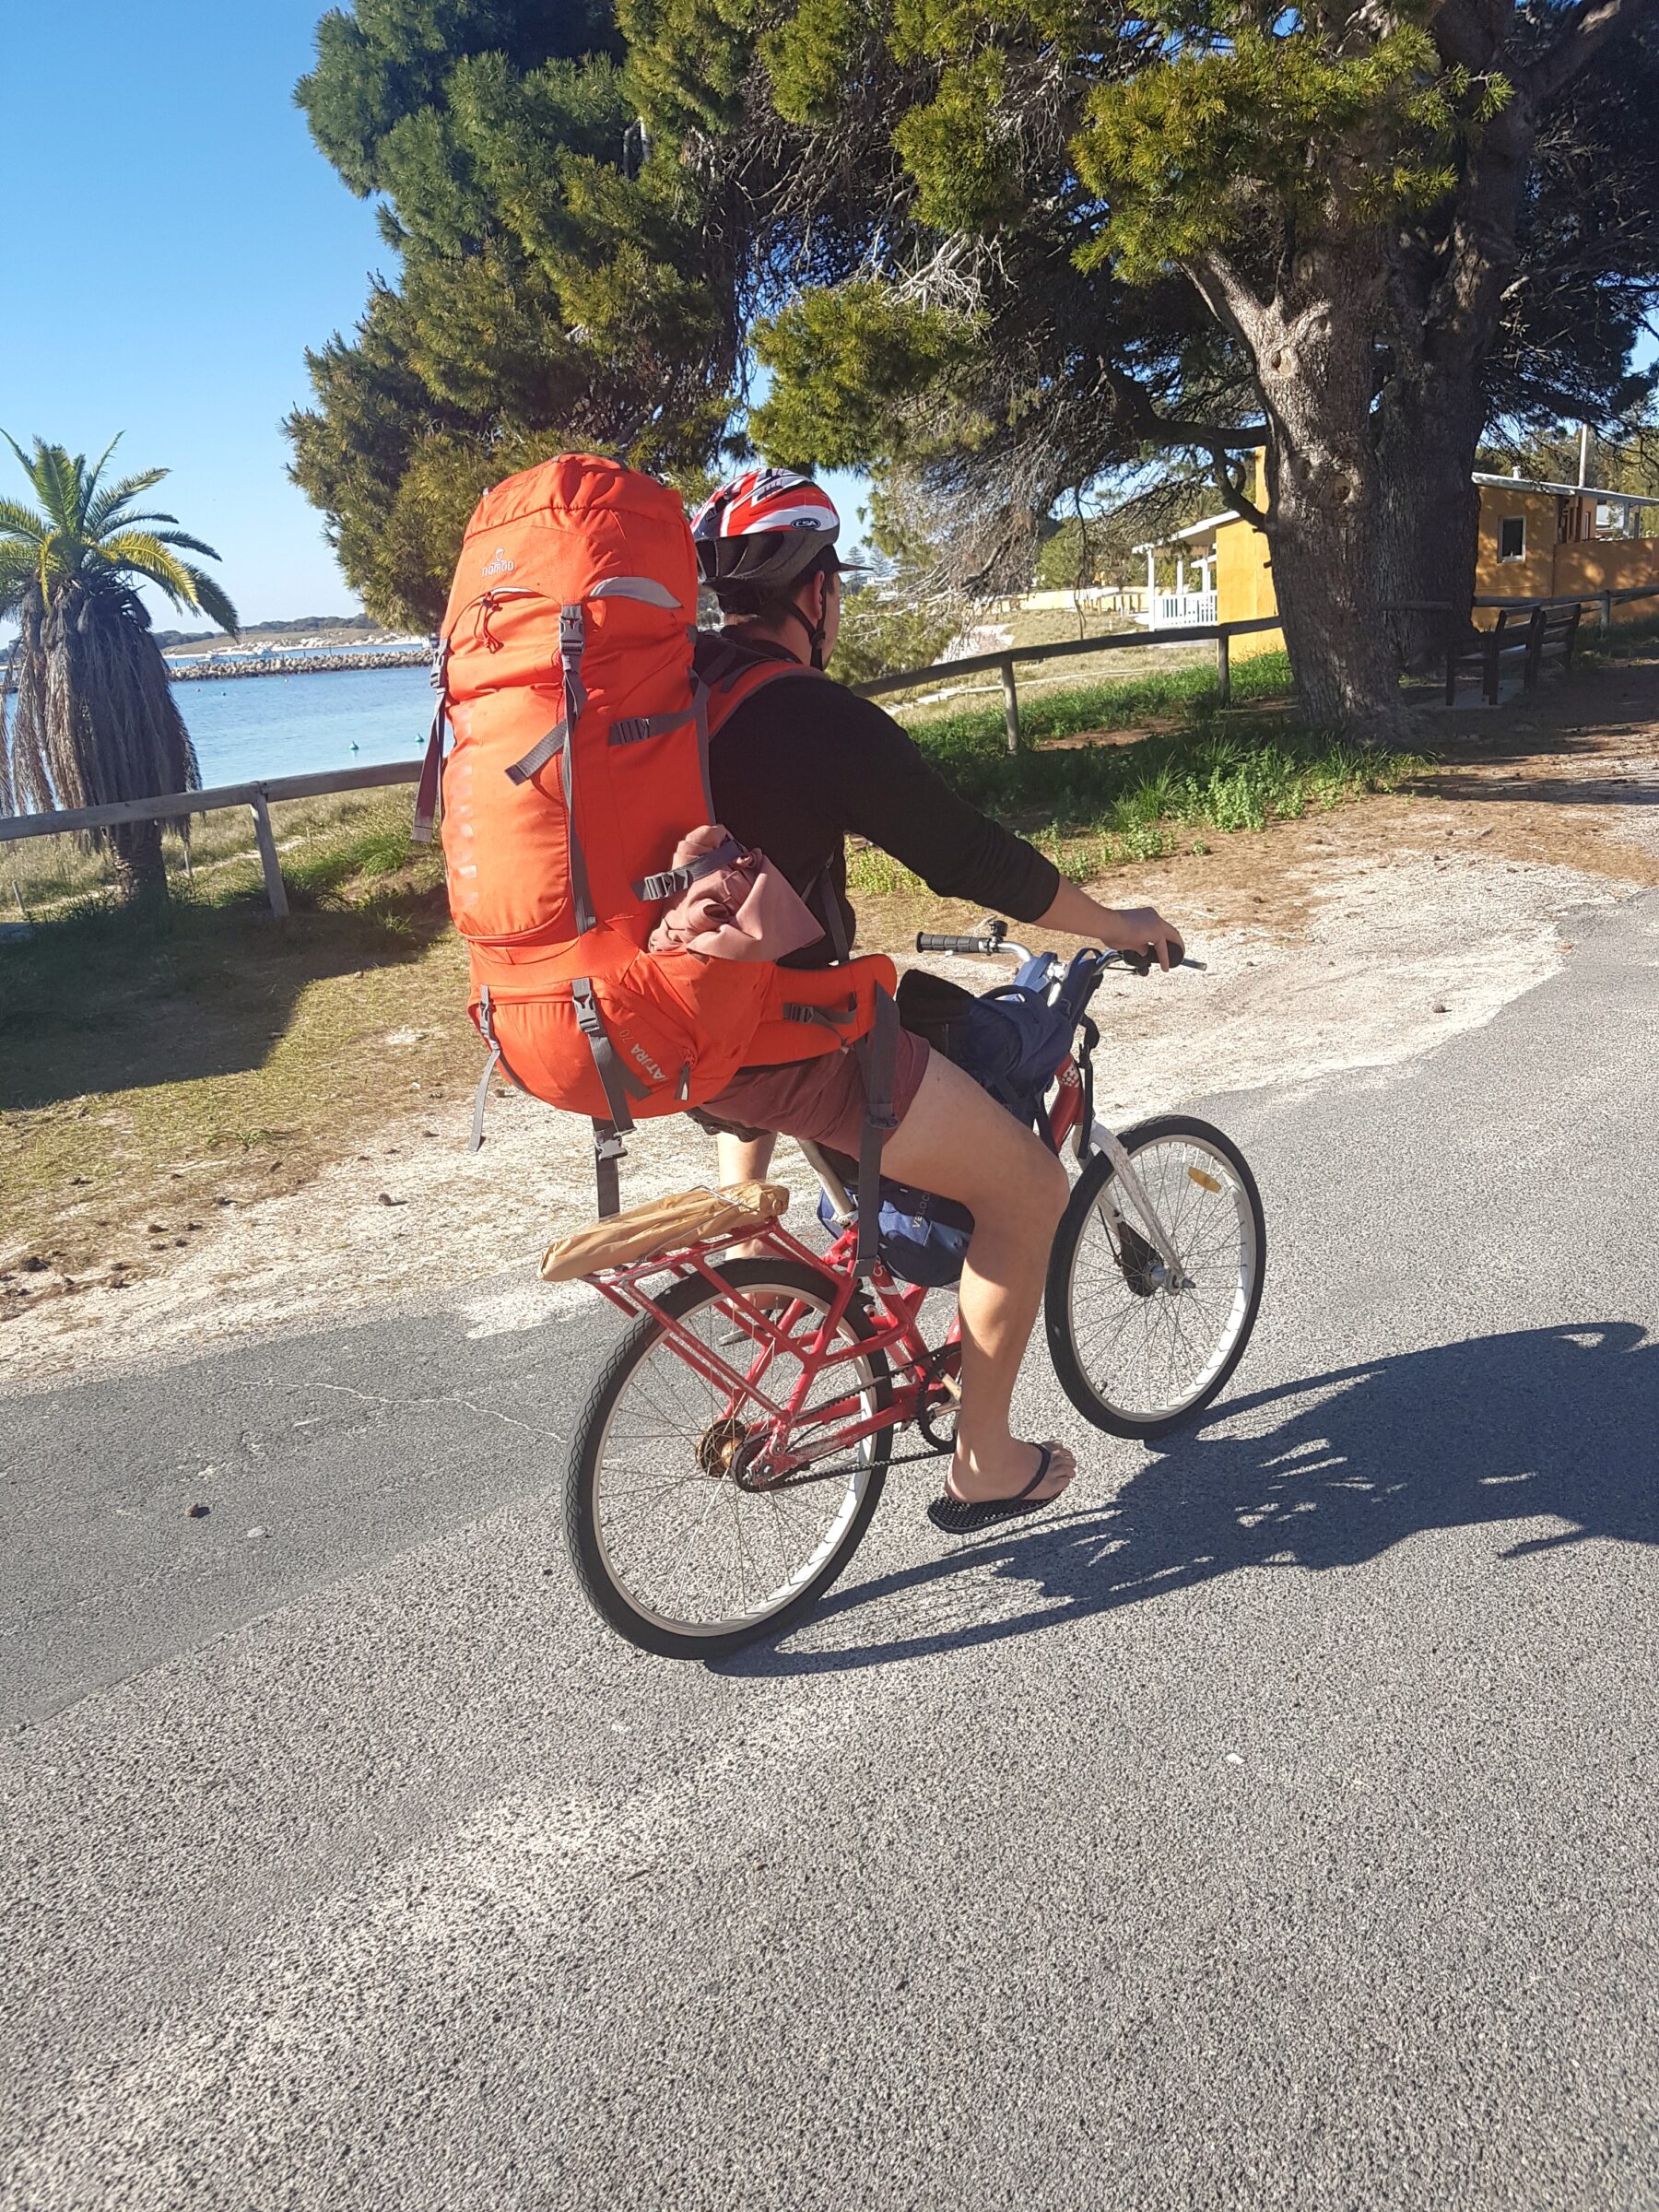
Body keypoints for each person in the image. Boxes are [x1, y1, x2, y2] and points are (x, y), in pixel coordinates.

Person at [688, 468, 1183, 1532]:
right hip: (796, 1041)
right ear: (814, 592)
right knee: (1031, 1196)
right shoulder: (809, 715)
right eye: (834, 583)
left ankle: (799, 1315)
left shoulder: (673, 698)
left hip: (682, 1033)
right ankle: (986, 1464)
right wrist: (1118, 924)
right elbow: (970, 857)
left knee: (853, 1174)